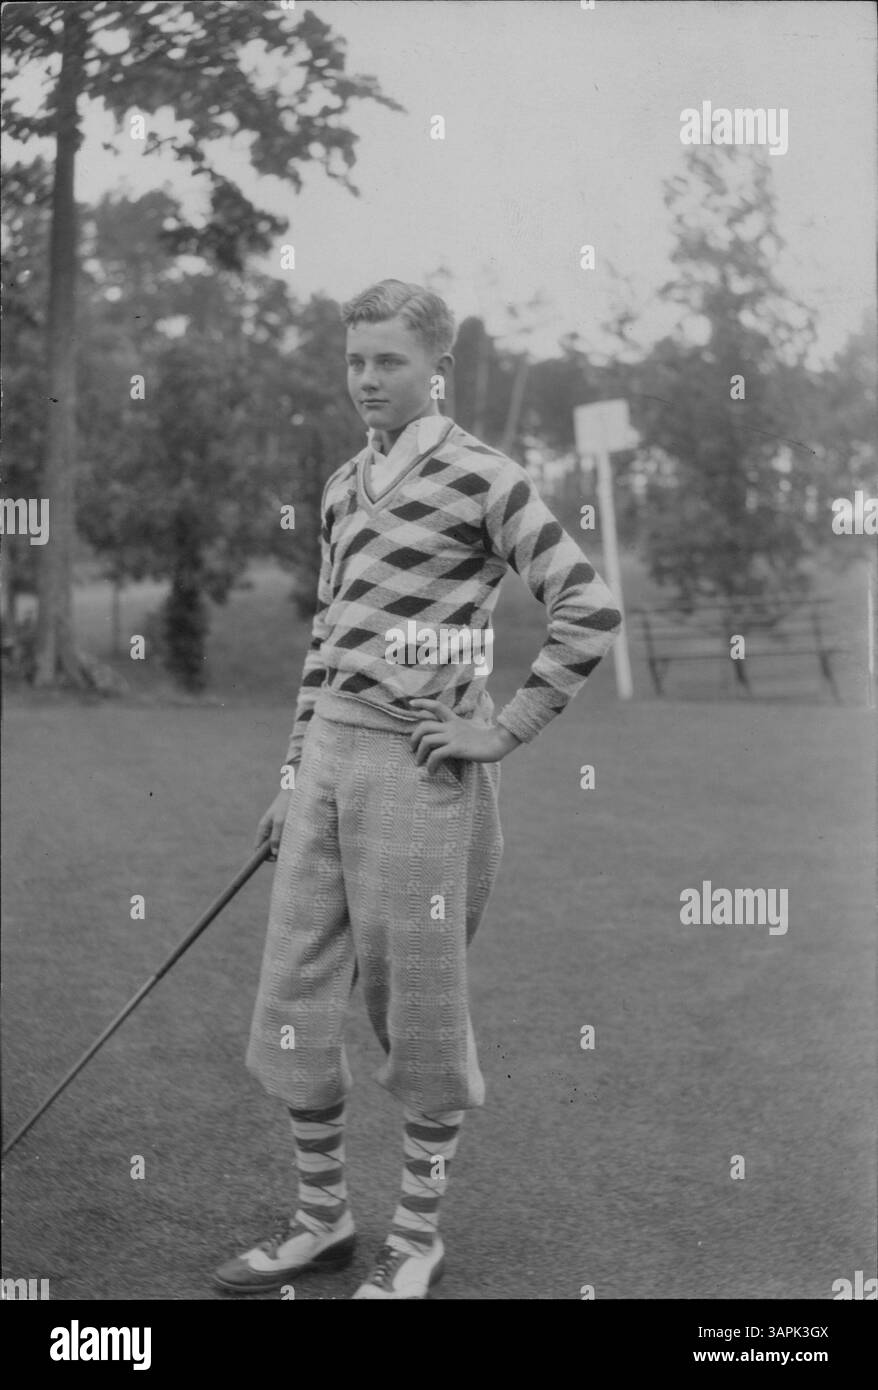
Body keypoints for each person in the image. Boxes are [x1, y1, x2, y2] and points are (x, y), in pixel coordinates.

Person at [214, 279, 622, 1299]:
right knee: (294, 1000)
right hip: (325, 769)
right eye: (354, 361)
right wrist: (289, 771)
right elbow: (324, 639)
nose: (365, 380)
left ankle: (415, 1236)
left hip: (418, 766)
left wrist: (501, 728)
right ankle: (322, 1221)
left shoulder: (485, 477)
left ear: (435, 365)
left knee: (420, 1016)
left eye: (387, 361)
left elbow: (588, 606)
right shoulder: (343, 484)